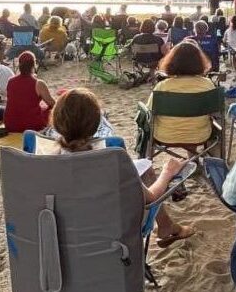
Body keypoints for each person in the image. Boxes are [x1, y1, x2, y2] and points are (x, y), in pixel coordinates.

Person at [52, 88, 193, 246]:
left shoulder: (43, 159)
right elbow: (151, 198)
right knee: (146, 175)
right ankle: (166, 226)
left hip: (60, 233)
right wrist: (168, 172)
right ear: (95, 123)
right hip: (113, 232)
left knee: (144, 169)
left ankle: (166, 226)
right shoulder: (112, 158)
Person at [149, 41, 217, 146]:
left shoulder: (162, 86)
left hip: (165, 135)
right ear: (199, 62)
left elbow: (150, 111)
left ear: (172, 61)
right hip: (199, 135)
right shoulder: (207, 85)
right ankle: (195, 156)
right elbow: (215, 111)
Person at [3, 51, 56, 133]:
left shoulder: (11, 81)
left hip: (10, 124)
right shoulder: (38, 83)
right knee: (51, 109)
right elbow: (52, 103)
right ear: (34, 65)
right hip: (31, 125)